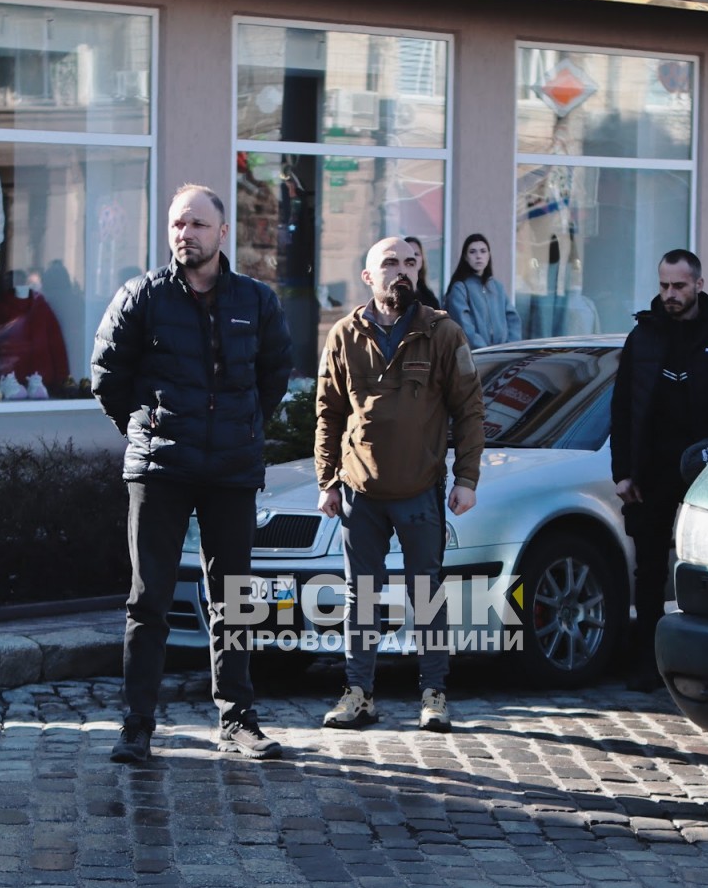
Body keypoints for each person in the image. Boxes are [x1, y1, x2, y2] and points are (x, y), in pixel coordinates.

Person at [91, 184, 295, 764]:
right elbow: (107, 374)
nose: (187, 234)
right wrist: (145, 429)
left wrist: (245, 425)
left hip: (231, 470)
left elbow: (275, 372)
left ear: (222, 232)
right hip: (161, 471)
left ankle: (238, 720)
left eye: (199, 225)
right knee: (147, 599)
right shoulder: (143, 296)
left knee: (233, 597)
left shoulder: (255, 301)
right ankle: (137, 725)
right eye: (179, 224)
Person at [315, 237, 485, 733]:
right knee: (360, 595)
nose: (401, 271)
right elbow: (328, 413)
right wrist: (327, 480)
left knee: (426, 594)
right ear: (368, 277)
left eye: (410, 263)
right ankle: (358, 693)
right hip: (359, 491)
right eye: (390, 263)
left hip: (420, 489)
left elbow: (469, 411)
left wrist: (467, 478)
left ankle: (434, 694)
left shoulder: (443, 332)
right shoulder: (345, 334)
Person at [611, 250, 708, 690]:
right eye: (664, 286)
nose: (670, 294)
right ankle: (647, 661)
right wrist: (622, 472)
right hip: (651, 471)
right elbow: (621, 407)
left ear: (698, 284)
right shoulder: (642, 337)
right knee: (648, 572)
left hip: (706, 472)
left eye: (679, 286)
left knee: (707, 567)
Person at [444, 232, 522, 350]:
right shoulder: (460, 288)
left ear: (489, 255)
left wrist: (508, 347)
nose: (478, 256)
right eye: (472, 252)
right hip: (475, 355)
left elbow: (513, 320)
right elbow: (464, 326)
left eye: (483, 251)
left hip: (502, 354)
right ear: (465, 257)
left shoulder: (497, 287)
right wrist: (486, 351)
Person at [404, 235, 438, 308]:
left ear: (422, 259)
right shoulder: (396, 291)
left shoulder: (428, 295)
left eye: (416, 254)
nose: (412, 258)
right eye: (408, 253)